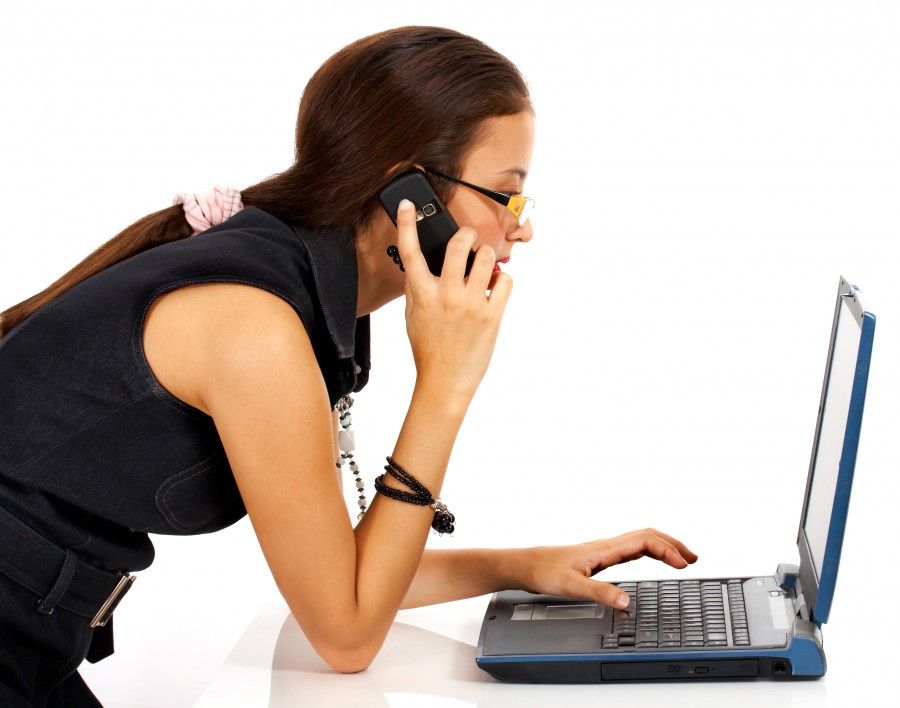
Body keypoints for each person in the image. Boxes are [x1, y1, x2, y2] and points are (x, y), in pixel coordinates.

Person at [0, 25, 698, 706]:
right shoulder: (255, 328)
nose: (522, 226)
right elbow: (346, 634)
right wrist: (445, 386)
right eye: (506, 194)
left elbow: (345, 580)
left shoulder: (305, 292)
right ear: (410, 197)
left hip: (33, 639)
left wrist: (523, 569)